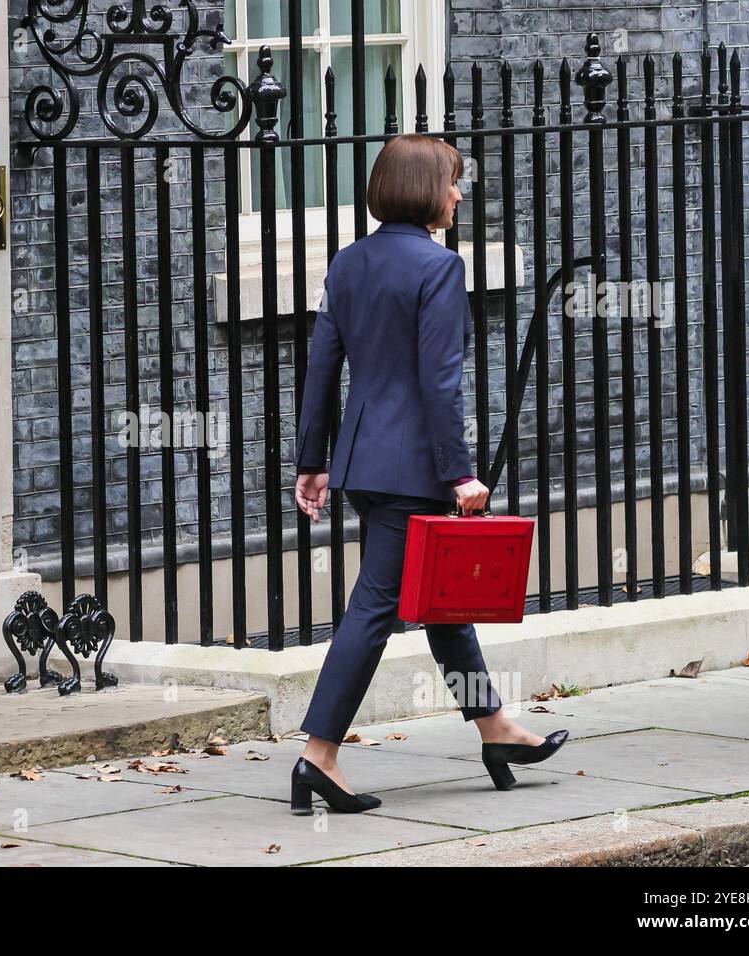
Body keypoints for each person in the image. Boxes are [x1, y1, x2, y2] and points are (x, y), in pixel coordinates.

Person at [288, 134, 568, 815]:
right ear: (424, 188)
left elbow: (321, 368)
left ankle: (494, 728)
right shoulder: (439, 268)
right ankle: (317, 756)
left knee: (441, 600)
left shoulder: (348, 263)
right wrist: (461, 474)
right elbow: (440, 382)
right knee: (375, 608)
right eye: (452, 182)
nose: (459, 194)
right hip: (414, 467)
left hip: (363, 463)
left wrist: (314, 461)